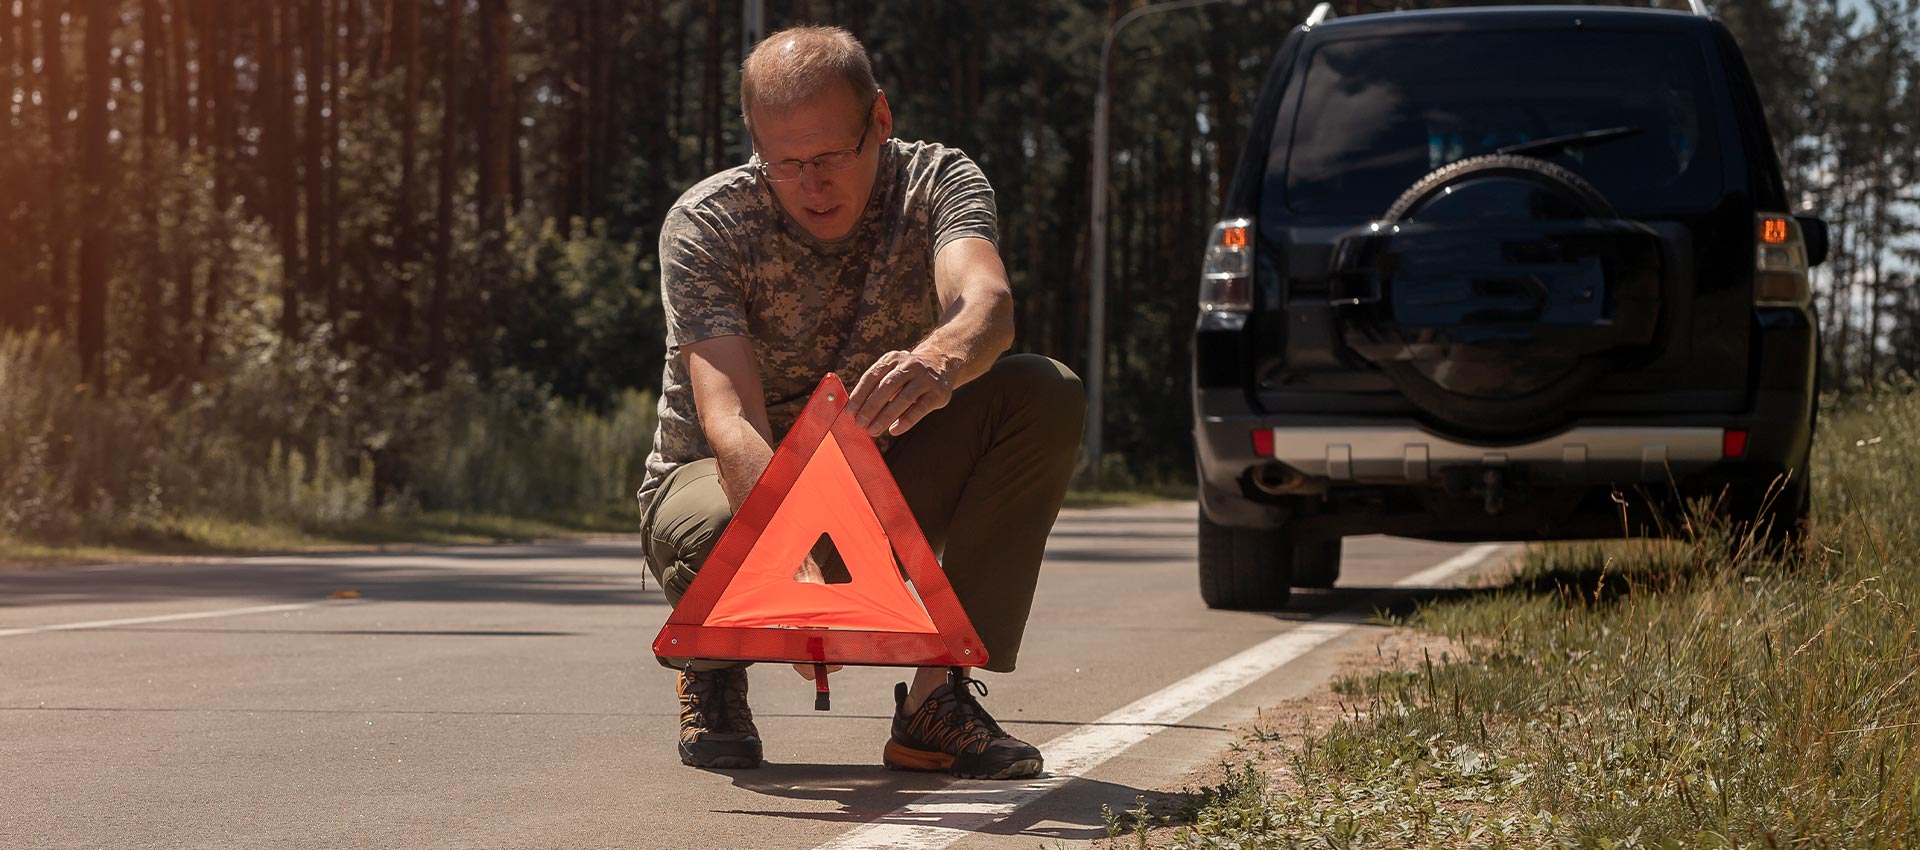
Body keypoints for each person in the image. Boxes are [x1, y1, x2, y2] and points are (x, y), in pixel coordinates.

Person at [634, 25, 1085, 780]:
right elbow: (730, 418)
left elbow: (987, 302)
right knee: (717, 529)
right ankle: (713, 666)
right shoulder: (709, 221)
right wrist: (791, 571)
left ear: (880, 120)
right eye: (784, 163)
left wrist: (940, 360)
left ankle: (938, 705)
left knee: (1040, 391)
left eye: (830, 158)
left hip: (874, 470)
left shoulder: (938, 181)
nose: (810, 186)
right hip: (720, 475)